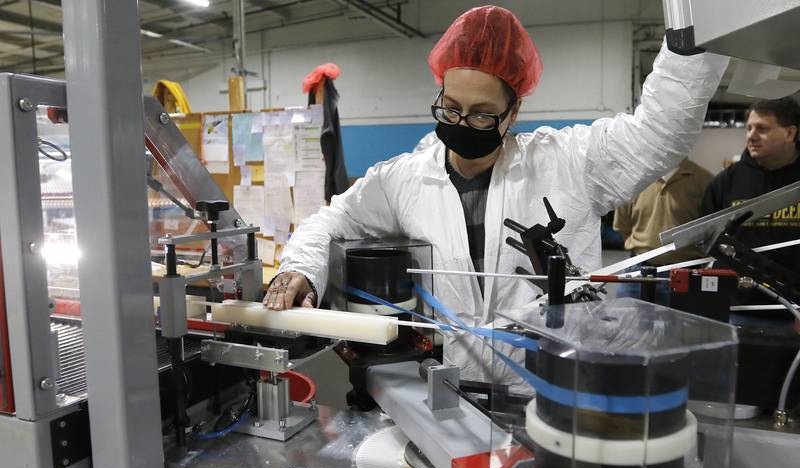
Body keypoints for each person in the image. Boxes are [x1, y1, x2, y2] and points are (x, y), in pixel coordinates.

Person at [263, 5, 729, 385]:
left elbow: (661, 133)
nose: (463, 123)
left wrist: (694, 28)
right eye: (451, 108)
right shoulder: (401, 180)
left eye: (483, 114)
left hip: (547, 389)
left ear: (514, 111)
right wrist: (301, 268)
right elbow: (333, 219)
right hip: (445, 391)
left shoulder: (568, 162)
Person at [700, 96, 800, 324]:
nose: (751, 136)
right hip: (740, 308)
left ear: (790, 133)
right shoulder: (726, 182)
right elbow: (705, 240)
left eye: (762, 129)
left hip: (795, 312)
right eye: (749, 128)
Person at [613, 158, 715, 304]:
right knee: (629, 323)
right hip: (637, 271)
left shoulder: (705, 181)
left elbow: (712, 230)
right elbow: (623, 226)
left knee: (683, 326)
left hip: (686, 273)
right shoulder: (634, 179)